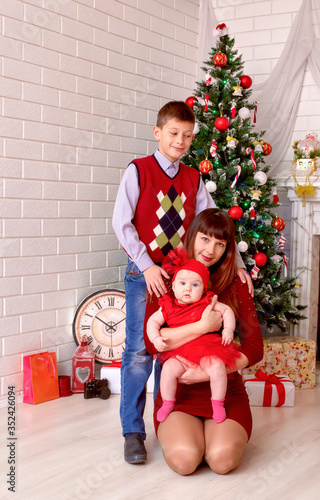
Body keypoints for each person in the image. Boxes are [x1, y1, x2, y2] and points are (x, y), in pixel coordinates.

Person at [112, 100, 252, 465]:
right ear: (158, 132)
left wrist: (236, 263)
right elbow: (122, 223)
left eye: (188, 136)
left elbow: (211, 224)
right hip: (147, 274)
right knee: (140, 350)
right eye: (174, 133)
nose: (181, 140)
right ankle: (132, 431)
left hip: (183, 277)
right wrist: (145, 266)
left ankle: (169, 412)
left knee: (171, 352)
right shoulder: (138, 170)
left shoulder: (193, 177)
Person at [144, 208, 263, 475]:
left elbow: (255, 347)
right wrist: (201, 327)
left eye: (220, 243)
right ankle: (185, 429)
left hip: (225, 390)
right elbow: (153, 343)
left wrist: (207, 372)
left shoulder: (237, 283)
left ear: (228, 248)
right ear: (191, 237)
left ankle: (216, 431)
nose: (211, 250)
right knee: (185, 460)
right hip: (178, 392)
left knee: (221, 460)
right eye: (205, 239)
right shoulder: (167, 280)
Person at [147, 247, 241, 424]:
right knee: (168, 370)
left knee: (217, 367)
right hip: (179, 353)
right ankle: (168, 403)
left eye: (195, 285)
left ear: (204, 289)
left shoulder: (207, 301)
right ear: (173, 286)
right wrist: (156, 339)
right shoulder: (168, 306)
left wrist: (228, 329)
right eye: (182, 283)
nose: (188, 289)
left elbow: (227, 310)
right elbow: (152, 322)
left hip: (206, 348)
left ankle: (217, 403)